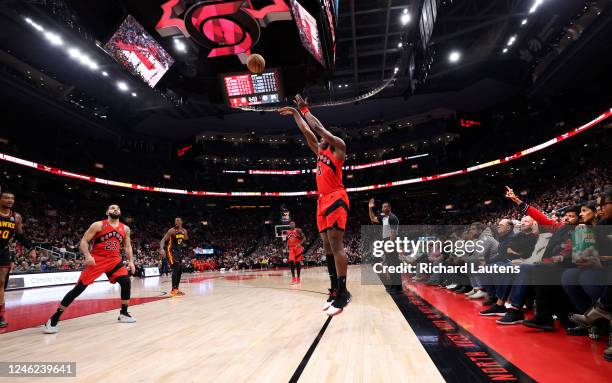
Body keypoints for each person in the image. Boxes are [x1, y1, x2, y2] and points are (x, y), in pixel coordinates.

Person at [279, 95, 351, 316]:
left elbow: (319, 130)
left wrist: (304, 108)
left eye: (324, 137)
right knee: (327, 247)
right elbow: (308, 133)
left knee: (337, 246)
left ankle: (344, 291)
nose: (319, 140)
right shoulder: (320, 152)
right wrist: (295, 114)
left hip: (336, 197)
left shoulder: (338, 147)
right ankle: (335, 291)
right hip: (322, 201)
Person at [44, 204, 136, 334]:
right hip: (97, 259)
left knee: (126, 281)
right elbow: (84, 241)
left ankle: (124, 313)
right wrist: (87, 255)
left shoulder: (125, 228)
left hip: (115, 259)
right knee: (79, 288)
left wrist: (131, 261)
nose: (115, 209)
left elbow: (127, 247)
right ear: (107, 212)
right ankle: (54, 318)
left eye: (118, 208)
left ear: (120, 212)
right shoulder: (98, 225)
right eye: (112, 208)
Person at [0, 191, 37, 328]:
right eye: (6, 198)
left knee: (1, 283)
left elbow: (20, 235)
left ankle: (0, 316)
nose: (10, 200)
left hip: (3, 251)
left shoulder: (16, 217)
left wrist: (31, 248)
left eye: (12, 198)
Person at [368, 199, 402, 294]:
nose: (384, 208)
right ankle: (395, 286)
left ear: (390, 208)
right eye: (383, 206)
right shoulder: (383, 217)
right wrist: (370, 208)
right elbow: (373, 219)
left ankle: (397, 288)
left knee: (394, 264)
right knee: (390, 264)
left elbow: (393, 233)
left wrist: (389, 246)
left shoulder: (393, 218)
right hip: (386, 240)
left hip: (391, 241)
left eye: (386, 206)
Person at [160, 217, 189, 297]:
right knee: (176, 267)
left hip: (179, 252)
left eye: (178, 220)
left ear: (181, 222)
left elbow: (186, 238)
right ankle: (173, 289)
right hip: (171, 251)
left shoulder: (184, 231)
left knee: (180, 269)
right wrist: (162, 249)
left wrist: (185, 236)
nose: (176, 221)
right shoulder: (171, 230)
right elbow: (162, 240)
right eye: (175, 220)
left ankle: (176, 289)